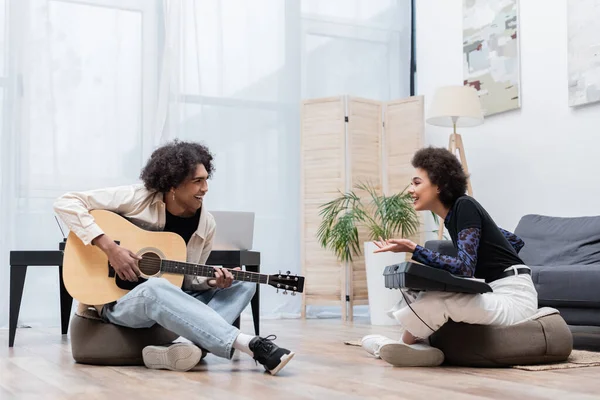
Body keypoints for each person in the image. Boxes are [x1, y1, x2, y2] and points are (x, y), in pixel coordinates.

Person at [54, 140, 294, 375]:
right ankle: (251, 345)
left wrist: (213, 282)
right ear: (173, 186)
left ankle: (185, 347)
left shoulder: (206, 224)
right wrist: (110, 249)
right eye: (197, 181)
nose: (205, 188)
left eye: (206, 180)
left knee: (246, 283)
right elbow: (66, 202)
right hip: (119, 303)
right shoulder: (138, 198)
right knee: (155, 287)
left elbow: (187, 281)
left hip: (171, 297)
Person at [361, 147, 537, 367]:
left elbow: (464, 268)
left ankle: (400, 346)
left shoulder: (464, 205)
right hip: (500, 290)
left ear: (439, 186)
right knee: (421, 292)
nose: (410, 190)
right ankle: (419, 347)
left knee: (438, 300)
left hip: (514, 298)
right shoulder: (458, 216)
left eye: (416, 183)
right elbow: (515, 242)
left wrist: (414, 249)